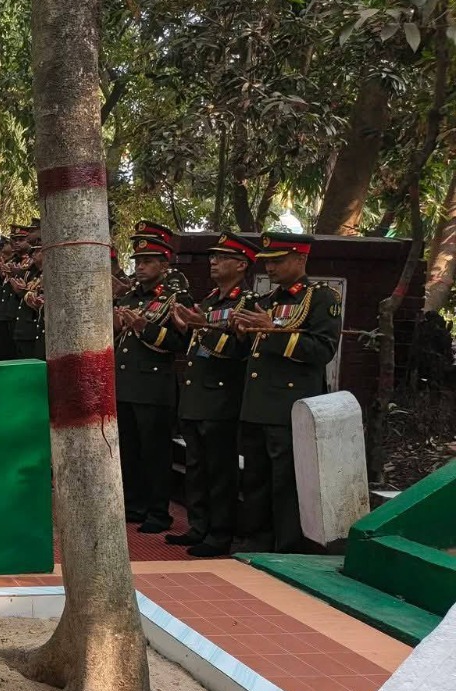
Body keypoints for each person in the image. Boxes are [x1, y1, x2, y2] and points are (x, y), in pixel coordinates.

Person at [234, 232, 342, 553]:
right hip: (256, 405)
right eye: (267, 262)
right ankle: (256, 544)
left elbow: (323, 349)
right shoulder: (266, 301)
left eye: (278, 261)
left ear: (301, 259)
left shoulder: (320, 297)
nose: (270, 268)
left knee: (285, 484)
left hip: (288, 407)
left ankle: (285, 550)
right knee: (254, 480)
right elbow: (252, 351)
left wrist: (273, 331)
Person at [167, 232, 258, 557]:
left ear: (241, 264)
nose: (214, 262)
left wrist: (200, 327)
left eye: (221, 257)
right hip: (196, 398)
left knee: (220, 470)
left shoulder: (246, 304)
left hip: (221, 399)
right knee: (196, 468)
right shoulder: (208, 302)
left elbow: (237, 350)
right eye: (212, 257)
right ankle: (199, 525)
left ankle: (220, 533)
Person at [114, 221, 191, 533]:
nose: (141, 267)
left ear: (164, 264)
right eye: (138, 262)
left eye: (147, 262)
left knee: (155, 454)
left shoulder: (177, 298)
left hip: (154, 386)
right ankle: (134, 505)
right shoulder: (132, 297)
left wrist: (144, 328)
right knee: (129, 450)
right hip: (127, 384)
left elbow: (180, 343)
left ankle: (159, 512)